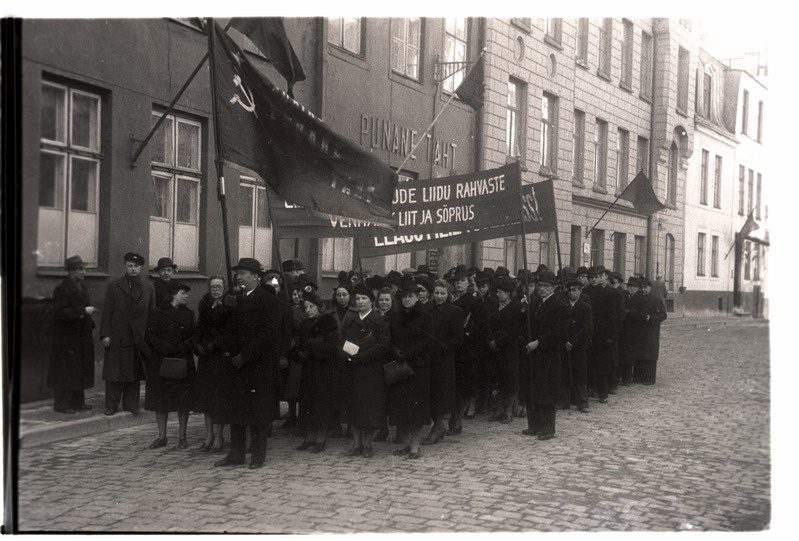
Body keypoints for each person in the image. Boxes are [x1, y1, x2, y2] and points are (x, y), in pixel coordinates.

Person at [214, 257, 281, 470]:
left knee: (257, 413)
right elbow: (226, 329)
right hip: (236, 365)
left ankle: (257, 456)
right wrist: (225, 308)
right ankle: (236, 454)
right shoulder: (236, 299)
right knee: (236, 411)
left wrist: (246, 355)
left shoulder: (267, 300)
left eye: (243, 273)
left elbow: (268, 333)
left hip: (257, 365)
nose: (239, 277)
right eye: (238, 273)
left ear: (255, 276)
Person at [100, 252, 155, 416]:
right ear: (125, 266)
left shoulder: (149, 288)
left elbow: (152, 314)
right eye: (130, 266)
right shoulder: (114, 286)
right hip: (118, 334)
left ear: (141, 267)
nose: (133, 269)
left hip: (138, 336)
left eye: (136, 266)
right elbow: (107, 311)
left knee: (134, 370)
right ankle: (112, 404)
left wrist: (150, 337)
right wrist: (105, 334)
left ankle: (131, 404)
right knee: (114, 370)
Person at [339, 283, 390, 458]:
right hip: (352, 368)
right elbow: (342, 340)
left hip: (370, 369)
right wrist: (347, 356)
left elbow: (383, 345)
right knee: (354, 406)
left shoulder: (379, 321)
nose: (360, 302)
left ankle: (367, 444)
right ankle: (356, 443)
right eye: (358, 299)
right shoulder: (351, 319)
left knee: (369, 408)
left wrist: (362, 357)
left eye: (364, 299)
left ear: (372, 302)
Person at [144, 281, 196, 450]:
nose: (186, 296)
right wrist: (166, 347)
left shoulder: (189, 314)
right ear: (173, 294)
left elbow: (195, 335)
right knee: (160, 401)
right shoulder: (158, 312)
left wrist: (183, 346)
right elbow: (149, 335)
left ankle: (182, 437)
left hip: (182, 360)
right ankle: (162, 436)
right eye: (183, 293)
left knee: (183, 401)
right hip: (161, 361)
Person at [388, 284, 435, 459]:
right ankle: (405, 444)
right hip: (400, 366)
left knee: (417, 409)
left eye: (411, 296)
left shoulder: (425, 317)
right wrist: (394, 351)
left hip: (418, 367)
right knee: (401, 408)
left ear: (417, 297)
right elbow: (390, 338)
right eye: (404, 297)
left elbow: (427, 340)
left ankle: (415, 446)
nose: (407, 300)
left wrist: (407, 354)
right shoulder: (395, 316)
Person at [521, 270, 569, 440]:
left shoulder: (559, 306)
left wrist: (539, 342)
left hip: (548, 354)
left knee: (547, 392)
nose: (542, 289)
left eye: (546, 286)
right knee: (533, 390)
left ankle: (548, 428)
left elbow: (559, 332)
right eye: (540, 286)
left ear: (554, 287)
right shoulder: (535, 303)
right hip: (533, 353)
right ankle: (534, 425)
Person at [47, 255, 97, 414]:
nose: (84, 272)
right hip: (67, 338)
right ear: (70, 272)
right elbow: (60, 313)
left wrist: (91, 323)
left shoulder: (82, 287)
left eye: (84, 269)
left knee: (79, 369)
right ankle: (62, 405)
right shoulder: (62, 289)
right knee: (66, 370)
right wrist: (83, 311)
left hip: (81, 335)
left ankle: (77, 402)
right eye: (80, 269)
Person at [292, 290, 339, 453]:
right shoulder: (305, 324)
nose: (308, 310)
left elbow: (332, 346)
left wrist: (312, 348)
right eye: (305, 307)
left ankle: (321, 437)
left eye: (311, 307)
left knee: (321, 403)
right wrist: (298, 353)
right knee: (307, 403)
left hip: (323, 369)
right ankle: (309, 436)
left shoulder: (328, 322)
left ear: (319, 307)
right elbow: (300, 343)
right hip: (308, 369)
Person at [193, 275, 232, 452]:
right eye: (213, 286)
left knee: (220, 398)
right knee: (206, 397)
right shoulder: (204, 303)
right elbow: (200, 327)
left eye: (219, 286)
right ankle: (208, 435)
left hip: (221, 356)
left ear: (224, 288)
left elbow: (229, 330)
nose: (215, 289)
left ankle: (219, 435)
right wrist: (198, 344)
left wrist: (215, 344)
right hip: (206, 358)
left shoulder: (229, 304)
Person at [447, 264, 487, 435]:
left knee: (463, 386)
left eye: (462, 280)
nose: (458, 284)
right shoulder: (450, 299)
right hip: (451, 348)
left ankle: (457, 421)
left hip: (466, 349)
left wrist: (468, 334)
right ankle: (452, 418)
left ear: (468, 282)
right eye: (456, 281)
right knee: (452, 385)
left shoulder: (475, 301)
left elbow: (482, 324)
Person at [424, 279, 463, 445]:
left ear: (448, 294)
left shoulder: (454, 311)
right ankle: (438, 425)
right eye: (437, 293)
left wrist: (444, 348)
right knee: (430, 394)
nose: (439, 296)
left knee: (441, 394)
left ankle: (438, 426)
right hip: (428, 358)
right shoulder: (427, 310)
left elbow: (458, 337)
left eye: (442, 293)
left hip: (444, 360)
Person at [486, 275, 522, 424]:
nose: (497, 294)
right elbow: (488, 325)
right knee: (496, 380)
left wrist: (499, 340)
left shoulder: (516, 307)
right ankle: (499, 408)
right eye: (497, 291)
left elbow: (515, 329)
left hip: (509, 348)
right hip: (495, 349)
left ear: (508, 293)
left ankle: (508, 410)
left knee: (510, 380)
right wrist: (490, 340)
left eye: (500, 292)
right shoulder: (494, 305)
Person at [559, 278, 592, 412]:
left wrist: (573, 342)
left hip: (578, 345)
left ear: (580, 290)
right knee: (565, 373)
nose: (572, 293)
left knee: (580, 373)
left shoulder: (585, 307)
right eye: (570, 290)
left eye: (575, 290)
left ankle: (582, 402)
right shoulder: (563, 306)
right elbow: (560, 325)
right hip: (564, 344)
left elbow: (585, 328)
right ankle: (564, 401)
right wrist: (565, 340)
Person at [629, 278, 668, 385]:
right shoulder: (635, 298)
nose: (643, 290)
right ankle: (637, 377)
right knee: (638, 353)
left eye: (645, 287)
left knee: (649, 354)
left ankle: (649, 378)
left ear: (650, 287)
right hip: (637, 330)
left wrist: (650, 318)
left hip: (651, 331)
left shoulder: (655, 300)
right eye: (641, 288)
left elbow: (663, 315)